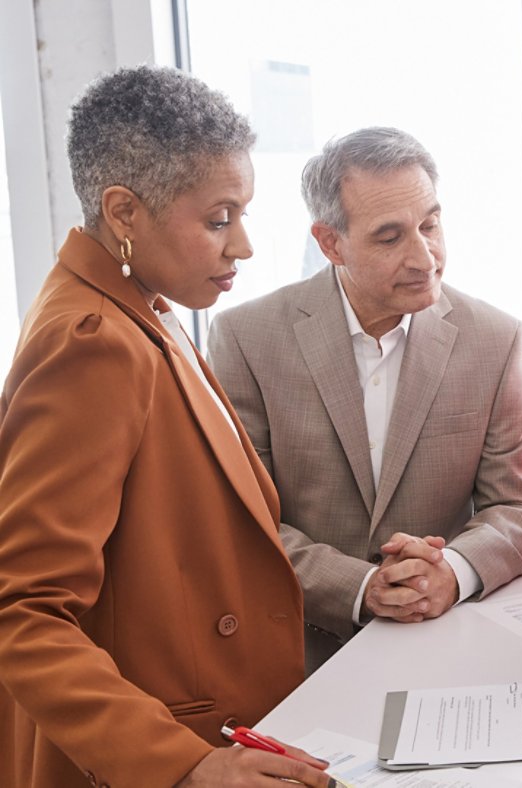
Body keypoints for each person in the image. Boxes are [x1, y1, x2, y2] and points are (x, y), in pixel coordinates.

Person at [0, 66, 332, 787]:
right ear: (124, 213)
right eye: (218, 219)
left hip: (221, 725)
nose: (241, 245)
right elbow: (23, 613)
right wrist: (182, 767)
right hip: (158, 751)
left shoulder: (147, 307)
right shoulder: (90, 339)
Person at [209, 127, 522, 671]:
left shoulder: (495, 338)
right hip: (294, 654)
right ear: (329, 243)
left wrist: (451, 572)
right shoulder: (246, 338)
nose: (424, 257)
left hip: (448, 650)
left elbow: (517, 507)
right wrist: (359, 586)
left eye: (430, 225)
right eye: (390, 238)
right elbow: (240, 520)